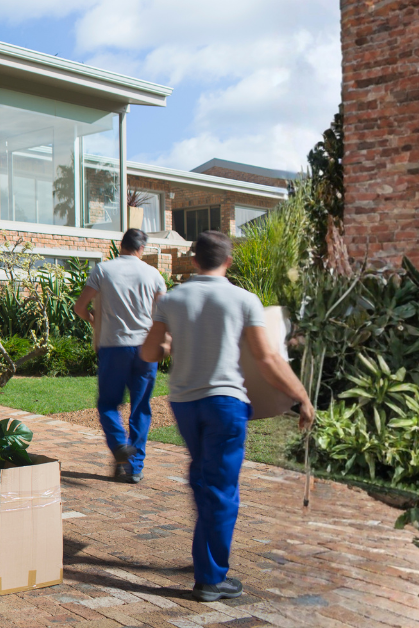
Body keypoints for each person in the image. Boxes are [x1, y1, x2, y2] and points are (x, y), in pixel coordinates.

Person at [140, 230, 314, 602]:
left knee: (206, 479)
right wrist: (301, 395)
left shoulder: (171, 299)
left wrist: (170, 343)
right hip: (224, 403)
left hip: (184, 404)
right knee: (220, 489)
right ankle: (210, 579)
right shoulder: (243, 299)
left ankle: (206, 556)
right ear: (228, 261)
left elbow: (150, 354)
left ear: (193, 260)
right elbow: (267, 359)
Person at [74, 229, 167, 484]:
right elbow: (164, 313)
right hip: (145, 348)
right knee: (141, 407)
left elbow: (79, 307)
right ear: (141, 248)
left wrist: (92, 320)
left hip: (113, 347)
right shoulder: (153, 274)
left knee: (108, 404)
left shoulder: (103, 270)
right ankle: (134, 468)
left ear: (121, 245)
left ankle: (119, 447)